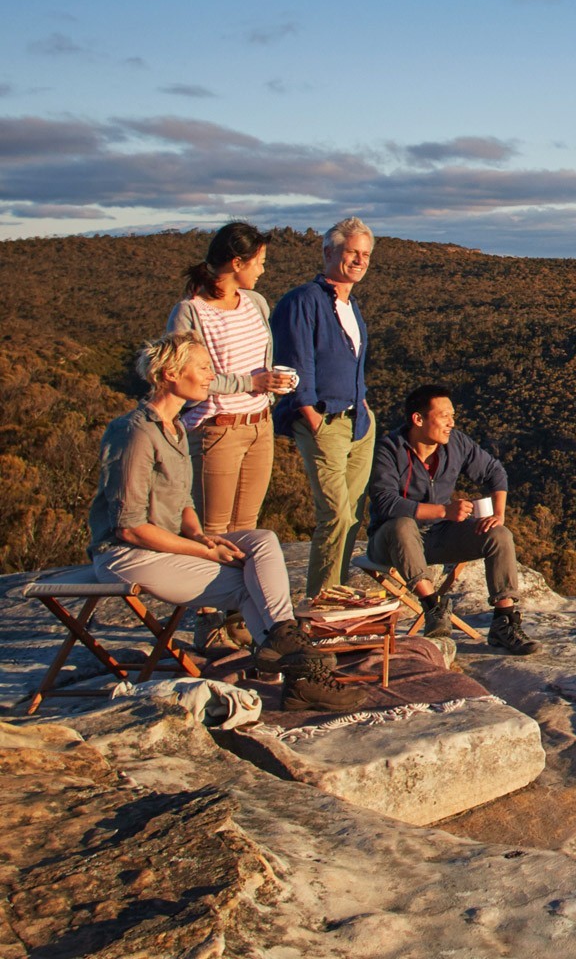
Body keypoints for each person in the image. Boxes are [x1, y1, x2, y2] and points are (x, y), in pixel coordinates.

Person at [90, 332, 364, 712]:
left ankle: (284, 642)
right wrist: (204, 551)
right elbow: (129, 527)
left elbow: (184, 501)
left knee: (263, 540)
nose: (211, 376)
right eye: (203, 368)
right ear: (170, 374)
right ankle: (303, 677)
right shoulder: (134, 432)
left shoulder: (175, 428)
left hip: (166, 542)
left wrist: (200, 535)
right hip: (127, 555)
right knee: (248, 584)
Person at [367, 383, 539, 654]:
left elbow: (495, 473)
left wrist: (498, 515)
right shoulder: (389, 449)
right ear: (418, 419)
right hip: (390, 543)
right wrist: (444, 511)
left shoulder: (456, 444)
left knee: (499, 535)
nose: (451, 422)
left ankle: (504, 622)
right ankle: (433, 607)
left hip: (439, 535)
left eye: (453, 416)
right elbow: (385, 502)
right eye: (444, 416)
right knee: (402, 525)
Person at [167, 222, 295, 535]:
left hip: (260, 426)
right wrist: (251, 384)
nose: (262, 271)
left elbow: (258, 362)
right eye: (259, 263)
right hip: (217, 429)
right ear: (237, 263)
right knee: (213, 531)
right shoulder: (191, 312)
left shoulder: (255, 302)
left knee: (246, 529)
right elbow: (187, 378)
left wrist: (273, 383)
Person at [272, 218, 375, 598]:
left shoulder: (351, 305)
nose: (360, 261)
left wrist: (362, 402)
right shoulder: (303, 300)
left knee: (352, 517)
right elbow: (295, 360)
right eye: (352, 252)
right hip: (324, 419)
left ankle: (337, 593)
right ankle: (321, 604)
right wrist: (310, 415)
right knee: (335, 514)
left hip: (358, 420)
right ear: (329, 252)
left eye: (365, 254)